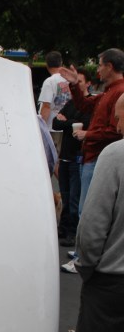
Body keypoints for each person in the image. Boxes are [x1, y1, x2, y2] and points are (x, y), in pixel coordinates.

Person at [53, 91, 124, 332]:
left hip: (112, 278)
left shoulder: (115, 156)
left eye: (116, 115)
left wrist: (87, 267)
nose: (114, 122)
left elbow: (92, 226)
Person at [59, 49, 124, 272]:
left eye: (99, 65)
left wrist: (89, 135)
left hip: (97, 156)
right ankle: (81, 253)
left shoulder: (117, 92)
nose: (97, 69)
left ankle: (83, 259)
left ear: (110, 66)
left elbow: (116, 131)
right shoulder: (110, 92)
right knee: (84, 208)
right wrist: (76, 86)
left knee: (88, 210)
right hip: (93, 156)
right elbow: (85, 106)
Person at [52, 68, 91, 246]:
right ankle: (63, 228)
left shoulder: (90, 104)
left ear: (88, 84)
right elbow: (55, 122)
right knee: (65, 195)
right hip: (66, 156)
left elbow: (86, 124)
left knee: (75, 197)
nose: (76, 85)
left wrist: (65, 121)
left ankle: (73, 232)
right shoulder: (70, 104)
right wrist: (70, 123)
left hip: (78, 157)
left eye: (80, 82)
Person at [38, 51, 71, 129]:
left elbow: (46, 106)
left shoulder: (49, 81)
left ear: (47, 64)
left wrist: (42, 128)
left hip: (51, 126)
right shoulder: (69, 79)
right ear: (61, 63)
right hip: (66, 125)